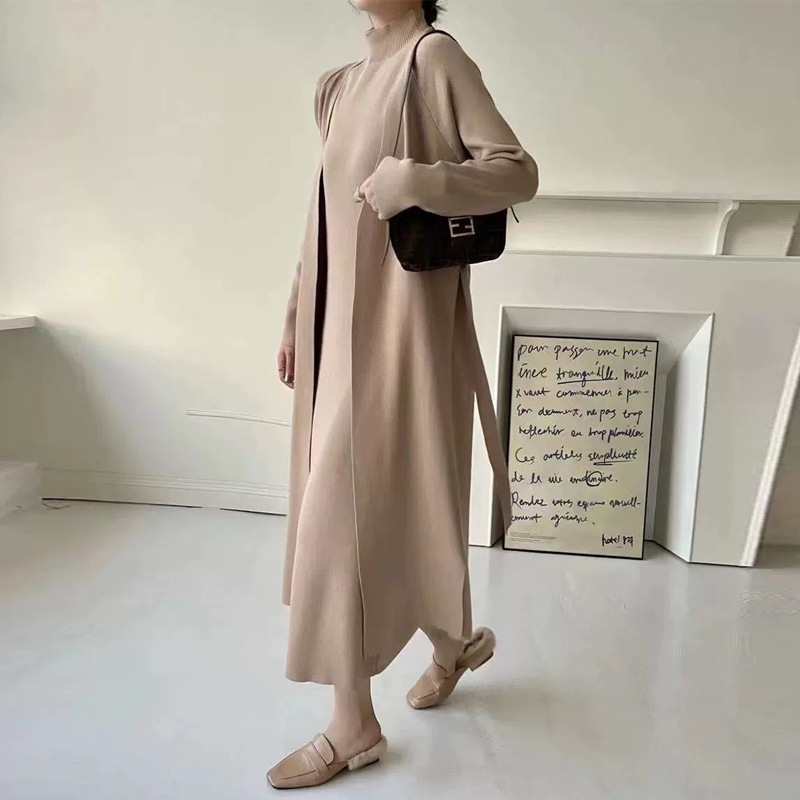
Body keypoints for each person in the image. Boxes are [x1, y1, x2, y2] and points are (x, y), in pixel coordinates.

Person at [270, 0, 538, 789]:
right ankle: (456, 646)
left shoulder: (436, 58)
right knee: (389, 499)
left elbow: (517, 170)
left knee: (358, 505)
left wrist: (417, 180)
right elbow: (323, 215)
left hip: (404, 326)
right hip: (335, 330)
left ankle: (352, 724)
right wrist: (295, 312)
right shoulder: (337, 87)